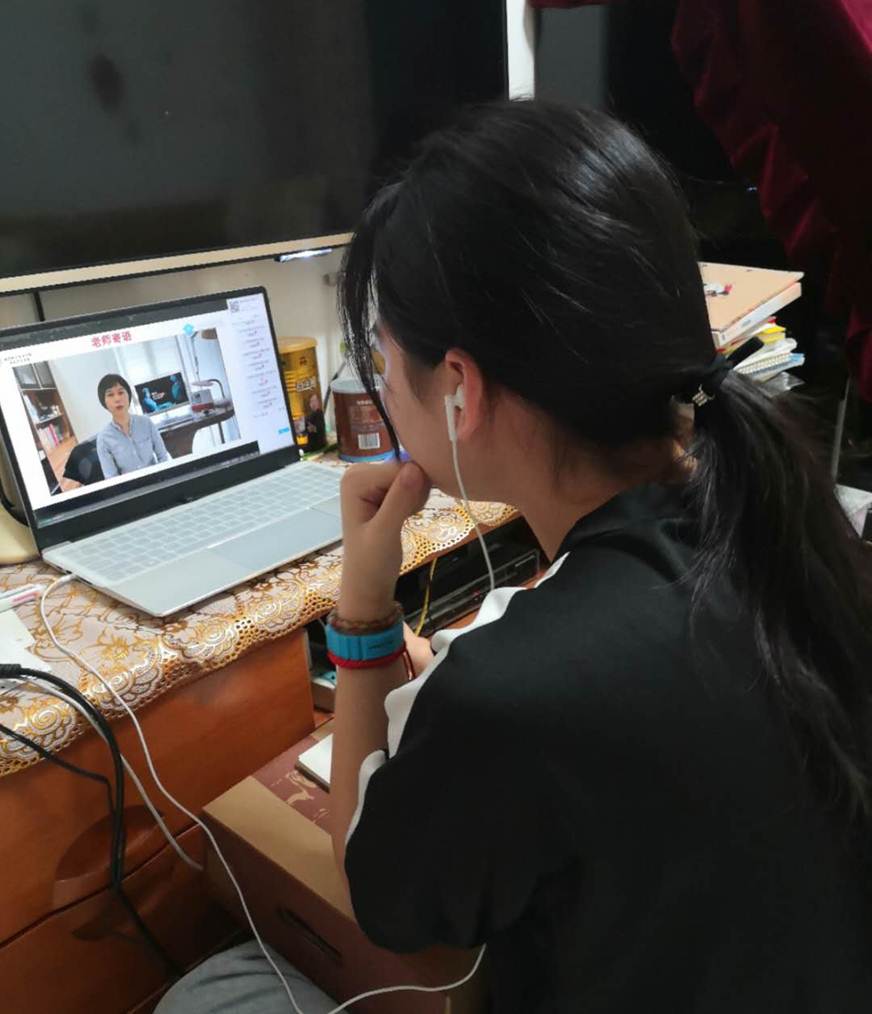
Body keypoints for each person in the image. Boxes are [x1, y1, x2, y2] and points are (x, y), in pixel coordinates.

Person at [158, 101, 872, 1013]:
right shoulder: (791, 517)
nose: (383, 383)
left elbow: (382, 894)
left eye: (383, 355)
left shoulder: (509, 692)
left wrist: (365, 612)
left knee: (210, 988)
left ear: (460, 390)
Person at [95, 373, 170, 478]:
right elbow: (112, 477)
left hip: (157, 480)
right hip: (130, 486)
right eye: (110, 395)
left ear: (128, 396)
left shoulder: (146, 422)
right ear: (104, 402)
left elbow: (163, 457)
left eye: (121, 392)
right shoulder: (103, 439)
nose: (117, 399)